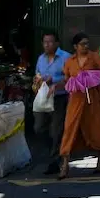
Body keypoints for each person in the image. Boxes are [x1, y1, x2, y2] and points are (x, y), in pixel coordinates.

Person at [58, 33, 100, 179]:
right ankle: (65, 166)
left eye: (87, 43)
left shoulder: (94, 57)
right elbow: (67, 80)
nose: (86, 46)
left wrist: (92, 77)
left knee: (97, 126)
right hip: (75, 100)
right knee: (70, 130)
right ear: (75, 46)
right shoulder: (70, 61)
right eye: (83, 44)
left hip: (92, 99)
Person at [33, 31, 70, 175]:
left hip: (59, 98)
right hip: (43, 98)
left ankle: (56, 160)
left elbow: (69, 77)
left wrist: (52, 80)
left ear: (57, 43)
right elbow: (37, 74)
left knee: (56, 130)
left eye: (50, 42)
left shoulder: (65, 57)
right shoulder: (41, 59)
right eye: (45, 42)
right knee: (38, 128)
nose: (47, 45)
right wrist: (38, 79)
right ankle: (54, 151)